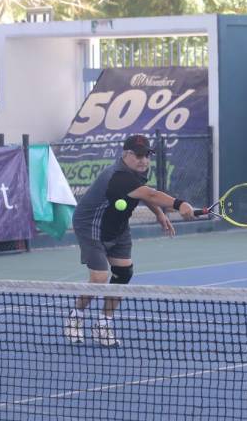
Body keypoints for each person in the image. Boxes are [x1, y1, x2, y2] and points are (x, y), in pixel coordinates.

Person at [64, 134, 196, 347]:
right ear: (126, 154)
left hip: (118, 226)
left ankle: (103, 324)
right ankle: (75, 316)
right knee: (99, 278)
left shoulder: (140, 172)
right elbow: (150, 194)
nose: (144, 160)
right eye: (139, 155)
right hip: (91, 226)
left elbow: (143, 194)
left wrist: (159, 214)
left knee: (123, 274)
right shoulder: (117, 176)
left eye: (147, 155)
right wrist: (180, 204)